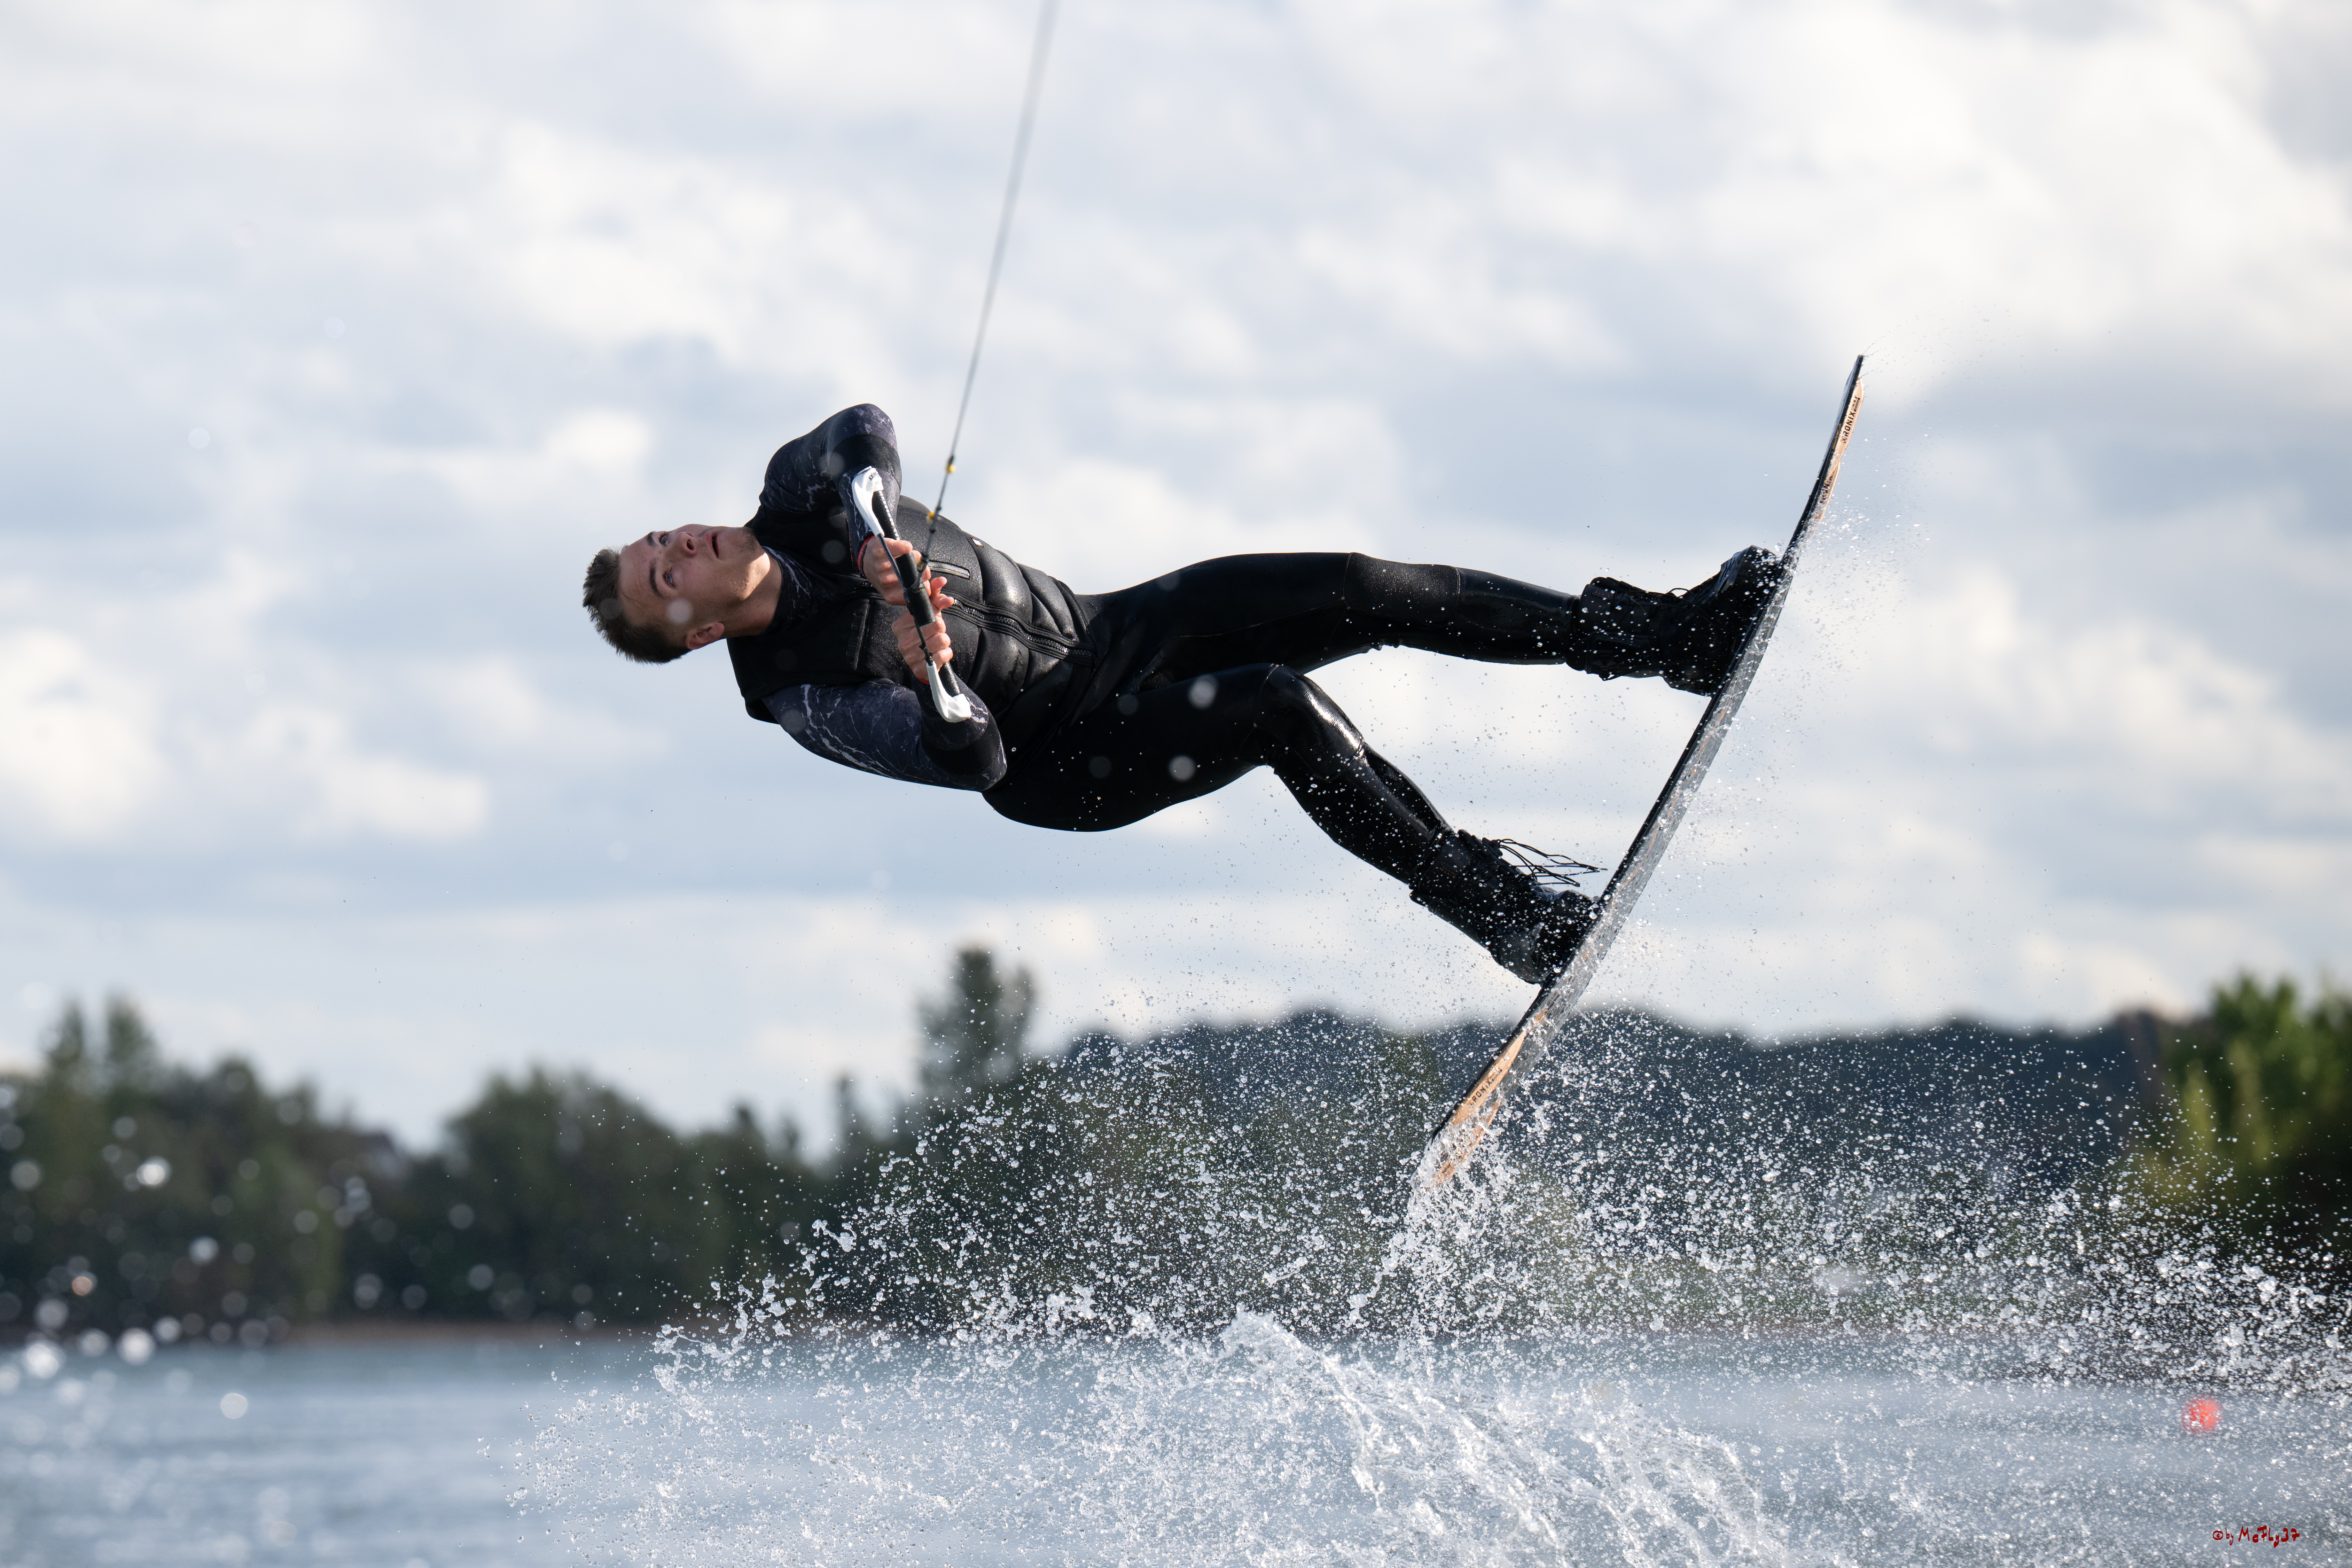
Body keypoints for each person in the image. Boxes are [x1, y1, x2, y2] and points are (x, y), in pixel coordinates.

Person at [579, 405, 1777, 982]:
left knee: (1367, 584)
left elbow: (864, 431)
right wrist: (927, 659)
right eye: (658, 579)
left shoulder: (797, 496)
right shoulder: (799, 696)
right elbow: (968, 761)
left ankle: (1667, 641)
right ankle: (1503, 916)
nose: (674, 548)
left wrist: (874, 532)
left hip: (1115, 626)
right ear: (688, 641)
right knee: (1272, 705)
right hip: (1067, 754)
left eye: (656, 540)